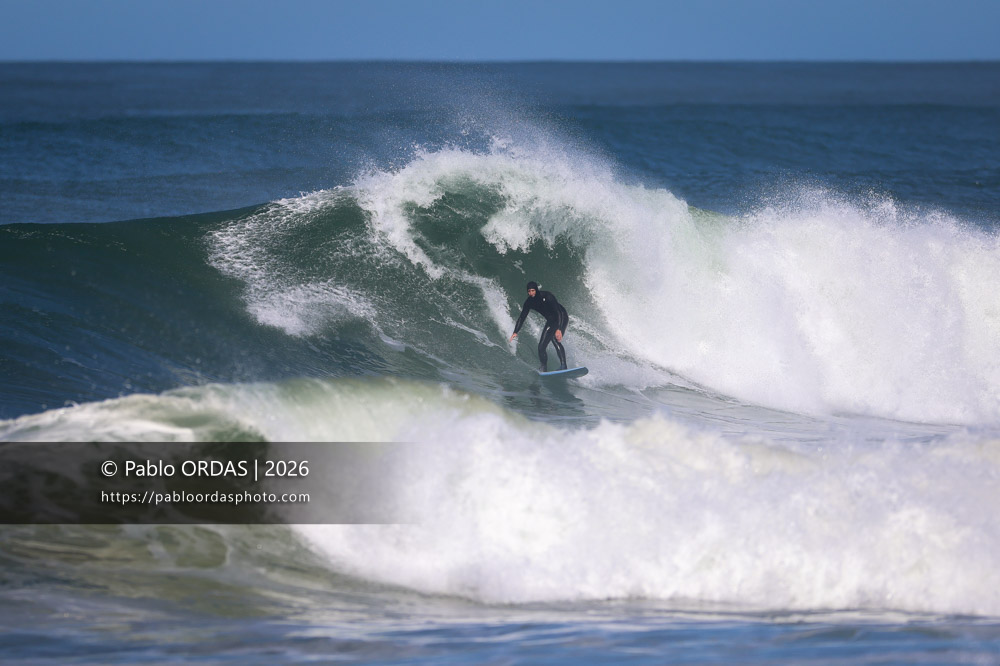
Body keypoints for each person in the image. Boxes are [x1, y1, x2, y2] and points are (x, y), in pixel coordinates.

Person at [508, 281, 569, 371]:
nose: (531, 293)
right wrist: (515, 332)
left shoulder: (547, 296)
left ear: (536, 290)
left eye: (533, 290)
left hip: (561, 317)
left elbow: (558, 312)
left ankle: (563, 366)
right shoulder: (529, 302)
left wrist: (559, 329)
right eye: (529, 291)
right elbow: (522, 317)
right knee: (541, 347)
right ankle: (543, 368)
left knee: (555, 339)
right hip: (551, 321)